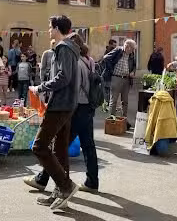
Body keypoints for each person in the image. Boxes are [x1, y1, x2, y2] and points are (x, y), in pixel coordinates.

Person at [27, 34, 99, 194]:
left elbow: (73, 86)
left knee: (59, 147)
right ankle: (92, 181)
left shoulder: (77, 62)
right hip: (88, 107)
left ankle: (45, 180)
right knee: (88, 145)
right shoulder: (89, 60)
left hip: (77, 107)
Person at [28, 15, 80, 211]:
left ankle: (66, 186)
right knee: (59, 149)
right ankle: (60, 190)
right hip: (66, 104)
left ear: (57, 28)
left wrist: (40, 88)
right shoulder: (69, 48)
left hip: (61, 104)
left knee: (39, 146)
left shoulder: (63, 48)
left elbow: (64, 77)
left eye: (50, 27)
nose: (49, 31)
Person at [104, 39, 137, 129]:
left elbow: (134, 65)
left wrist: (133, 72)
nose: (132, 51)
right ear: (127, 47)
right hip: (116, 77)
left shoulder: (131, 54)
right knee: (113, 100)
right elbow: (106, 58)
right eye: (132, 49)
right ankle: (112, 120)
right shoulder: (118, 50)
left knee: (125, 101)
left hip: (126, 79)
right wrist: (111, 71)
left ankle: (124, 121)